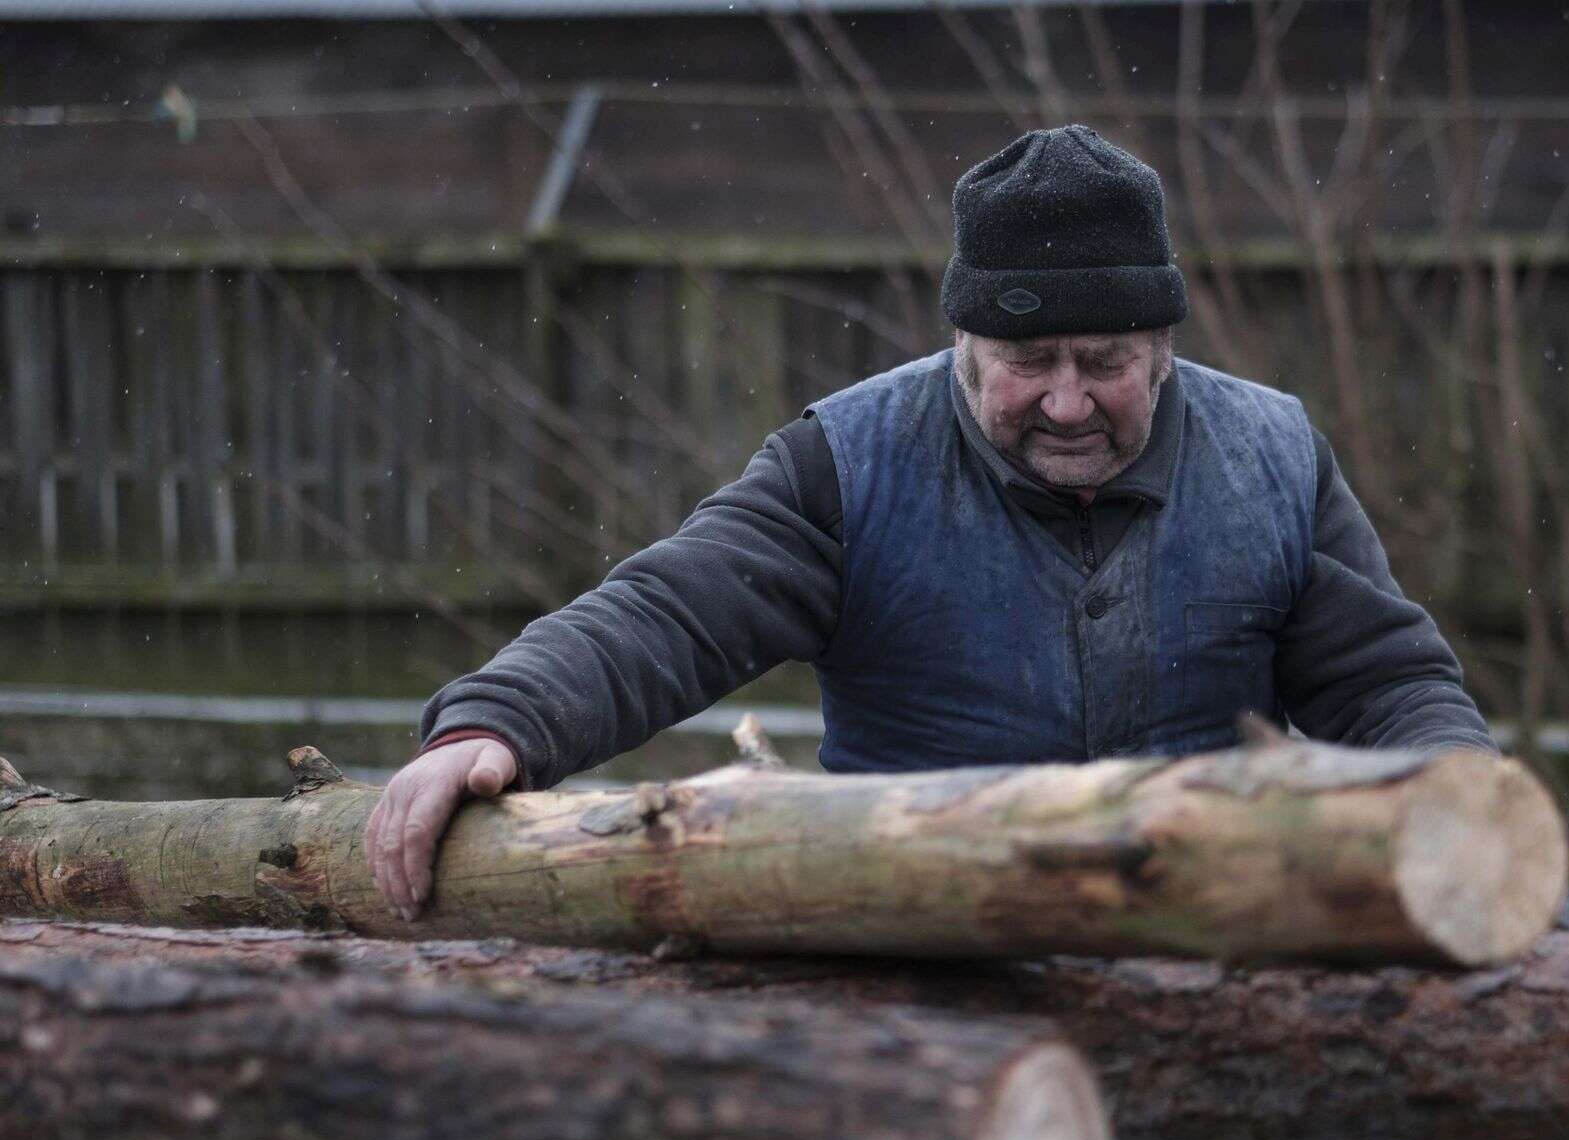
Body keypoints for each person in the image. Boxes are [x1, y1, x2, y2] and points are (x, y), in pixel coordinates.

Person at [363, 124, 1496, 921]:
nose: (1065, 400)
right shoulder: (846, 465)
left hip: (1211, 944)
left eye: (1104, 364)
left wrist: (1461, 794)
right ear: (961, 344)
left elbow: (1386, 681)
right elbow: (670, 608)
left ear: (1162, 349)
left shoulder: (1275, 457)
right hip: (920, 973)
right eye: (1025, 363)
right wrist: (498, 721)